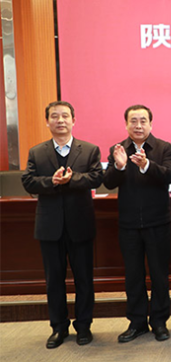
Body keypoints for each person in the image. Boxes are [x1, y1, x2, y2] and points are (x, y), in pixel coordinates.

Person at [21, 101, 104, 349]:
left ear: (73, 120)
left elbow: (97, 177)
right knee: (54, 280)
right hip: (49, 226)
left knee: (84, 279)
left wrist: (72, 179)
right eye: (55, 116)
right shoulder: (37, 152)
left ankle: (84, 326)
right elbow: (28, 182)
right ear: (47, 122)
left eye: (65, 116)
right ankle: (58, 328)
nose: (60, 120)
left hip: (80, 224)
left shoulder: (89, 150)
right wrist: (52, 182)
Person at [103, 104, 171, 343]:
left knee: (159, 275)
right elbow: (108, 182)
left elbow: (170, 175)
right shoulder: (118, 150)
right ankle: (137, 323)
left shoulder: (163, 147)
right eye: (133, 121)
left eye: (143, 121)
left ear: (150, 124)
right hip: (129, 224)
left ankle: (159, 322)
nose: (138, 125)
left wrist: (146, 165)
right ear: (126, 125)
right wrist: (120, 166)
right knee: (133, 275)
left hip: (158, 222)